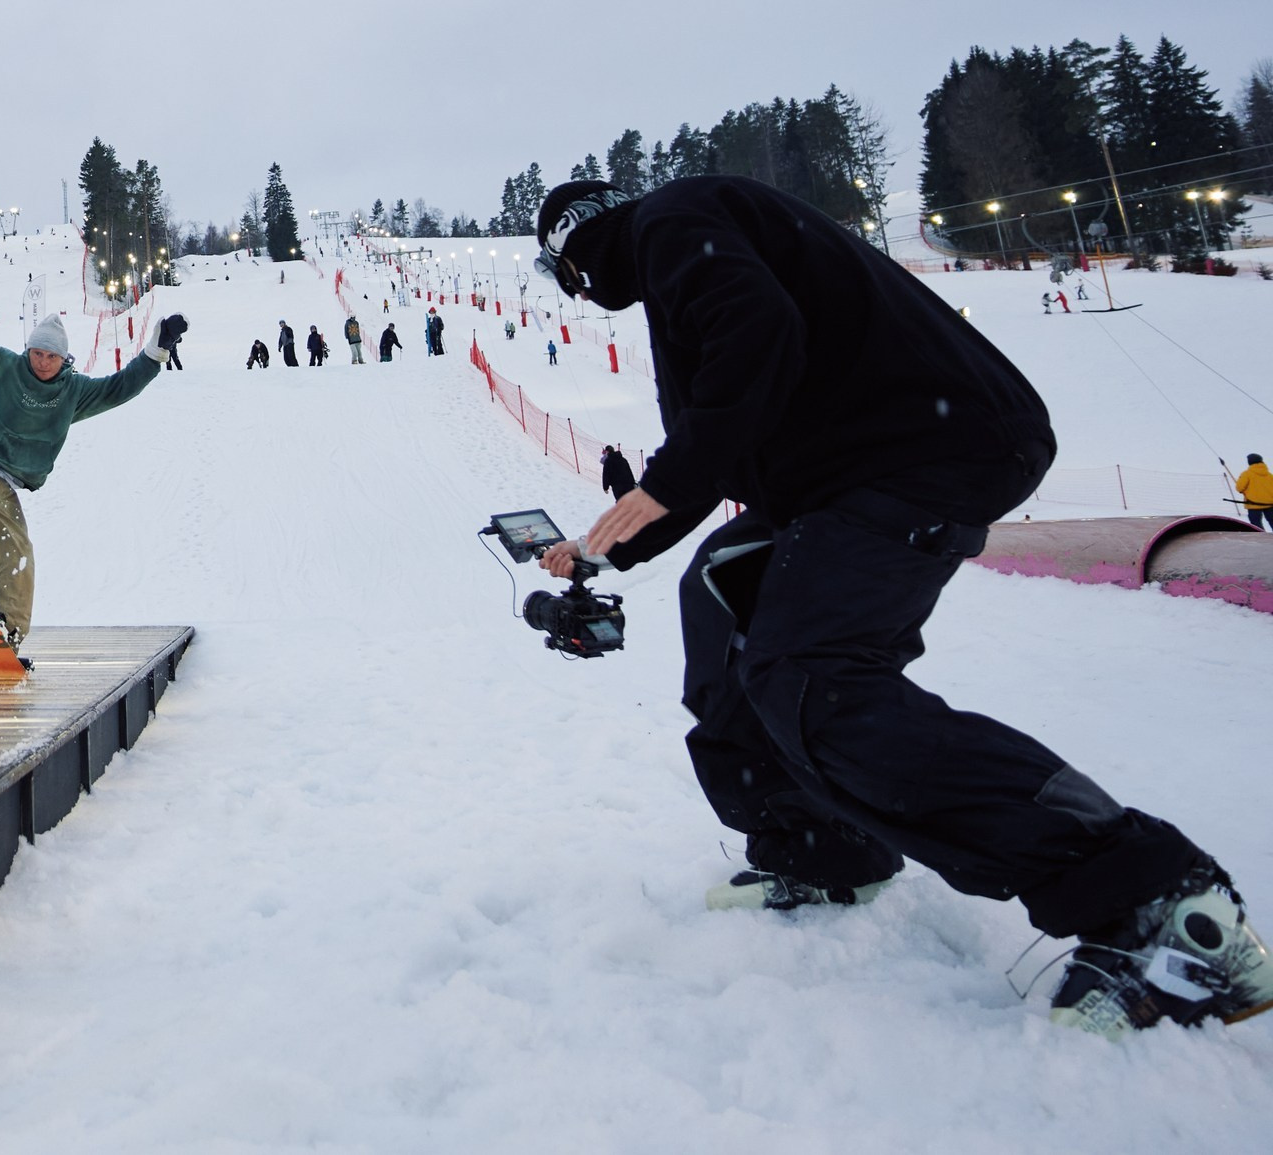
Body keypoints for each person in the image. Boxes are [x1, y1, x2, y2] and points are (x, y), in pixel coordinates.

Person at [530, 177, 1270, 1037]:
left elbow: (754, 339)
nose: (579, 295)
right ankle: (824, 845)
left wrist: (659, 486)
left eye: (565, 277)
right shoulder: (684, 263)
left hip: (924, 448)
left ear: (575, 250)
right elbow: (720, 438)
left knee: (811, 678)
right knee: (723, 596)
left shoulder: (671, 222)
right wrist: (601, 547)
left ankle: (1158, 904)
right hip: (848, 471)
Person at [0, 255, 184, 647]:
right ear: (29, 350)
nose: (42, 362)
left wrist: (156, 352)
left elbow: (117, 388)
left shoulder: (72, 392)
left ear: (63, 358)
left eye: (50, 356)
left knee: (16, 555)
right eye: (37, 353)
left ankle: (3, 633)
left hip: (7, 483)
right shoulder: (1, 367)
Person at [1239, 453, 1273, 532]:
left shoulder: (1246, 474)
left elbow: (1239, 488)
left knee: (1256, 525)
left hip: (1253, 504)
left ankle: (1262, 540)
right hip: (1270, 504)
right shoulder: (1270, 475)